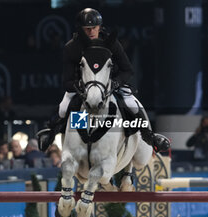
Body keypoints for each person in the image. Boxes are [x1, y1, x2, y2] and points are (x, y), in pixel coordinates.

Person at [37, 8, 170, 153]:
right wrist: (81, 86)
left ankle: (149, 137)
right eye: (86, 29)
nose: (91, 32)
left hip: (112, 85)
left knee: (132, 104)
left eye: (94, 28)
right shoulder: (72, 47)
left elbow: (128, 70)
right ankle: (50, 135)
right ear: (80, 29)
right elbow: (67, 81)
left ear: (100, 27)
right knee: (63, 107)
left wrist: (115, 83)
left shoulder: (111, 43)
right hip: (82, 89)